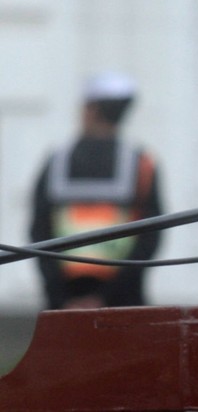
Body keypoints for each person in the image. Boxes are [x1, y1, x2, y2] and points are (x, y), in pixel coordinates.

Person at [29, 71, 163, 309]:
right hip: (124, 306)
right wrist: (105, 299)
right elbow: (149, 239)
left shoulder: (55, 163)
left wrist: (62, 298)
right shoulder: (143, 166)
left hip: (64, 307)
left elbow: (39, 232)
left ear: (90, 109)